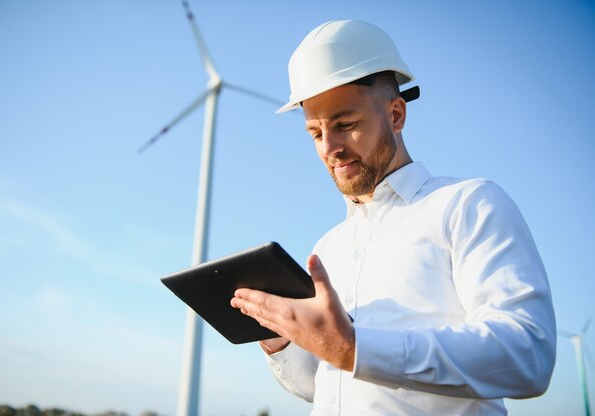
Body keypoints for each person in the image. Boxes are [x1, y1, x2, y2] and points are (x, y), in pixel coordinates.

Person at [230, 19, 556, 415]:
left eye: (345, 125)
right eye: (316, 133)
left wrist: (356, 349)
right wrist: (278, 336)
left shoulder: (468, 204)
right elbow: (322, 386)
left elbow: (527, 354)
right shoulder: (328, 247)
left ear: (396, 114)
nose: (330, 147)